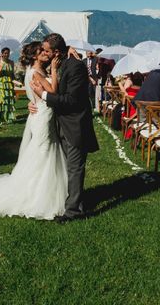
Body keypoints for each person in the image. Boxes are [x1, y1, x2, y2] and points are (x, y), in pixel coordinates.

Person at [0, 42, 68, 220]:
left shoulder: (35, 71)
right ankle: (38, 196)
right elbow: (53, 91)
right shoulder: (36, 72)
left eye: (45, 51)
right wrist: (53, 70)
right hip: (42, 115)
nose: (45, 53)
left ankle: (46, 191)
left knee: (41, 151)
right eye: (41, 51)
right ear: (35, 56)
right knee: (42, 152)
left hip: (41, 114)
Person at [30, 33, 99, 223]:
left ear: (56, 52)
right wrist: (35, 101)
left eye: (46, 50)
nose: (43, 53)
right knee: (68, 167)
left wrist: (43, 96)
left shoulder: (75, 67)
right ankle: (72, 200)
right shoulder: (57, 63)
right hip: (60, 123)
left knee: (75, 168)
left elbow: (72, 100)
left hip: (74, 125)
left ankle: (74, 211)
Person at [0, 47, 16, 125]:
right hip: (0, 85)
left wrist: (16, 82)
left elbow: (12, 75)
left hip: (8, 85)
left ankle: (7, 118)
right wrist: (1, 66)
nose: (6, 55)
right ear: (2, 54)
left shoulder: (11, 62)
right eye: (5, 53)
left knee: (7, 102)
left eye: (7, 53)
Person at [118, 72, 143, 139]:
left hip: (127, 113)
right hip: (138, 114)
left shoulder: (128, 90)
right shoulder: (142, 91)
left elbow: (123, 103)